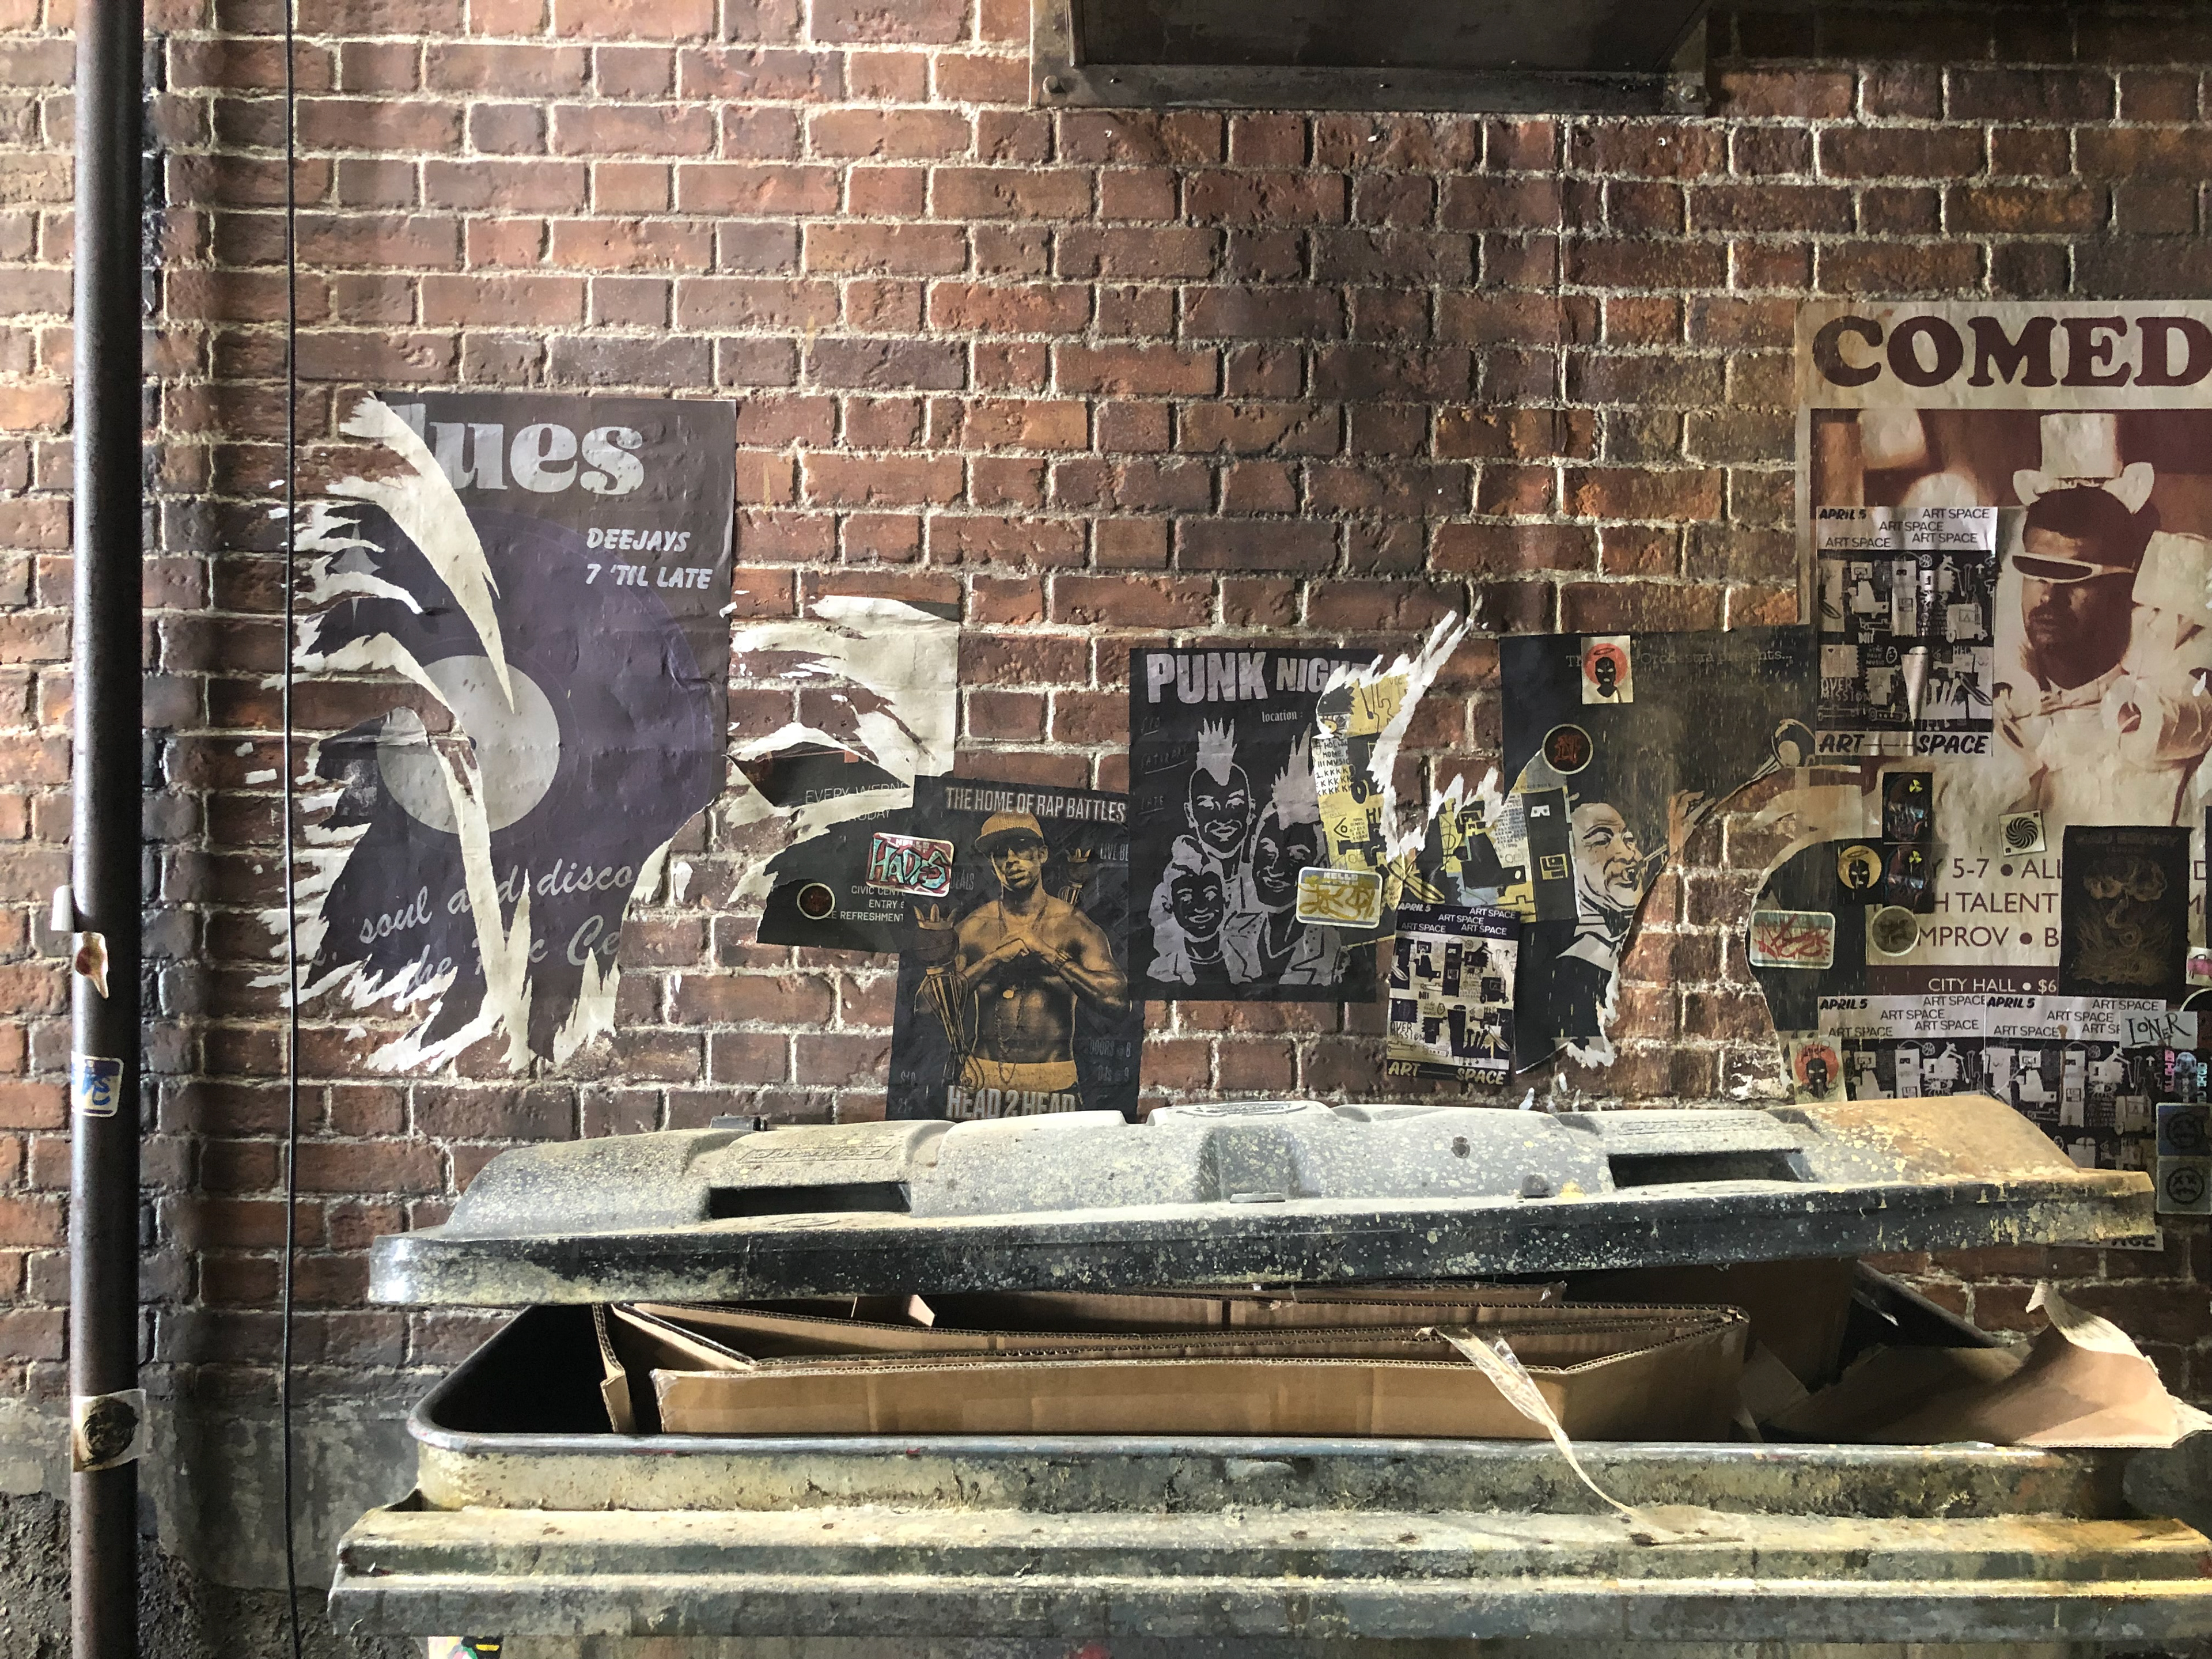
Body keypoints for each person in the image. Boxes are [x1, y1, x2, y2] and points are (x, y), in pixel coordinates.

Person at [1994, 418, 2212, 827]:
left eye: (2073, 575)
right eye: (2036, 572)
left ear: (2125, 585)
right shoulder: (2000, 713)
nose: (2048, 596)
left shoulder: (2167, 730)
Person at [915, 812, 1127, 1114]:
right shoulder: (975, 927)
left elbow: (1118, 1002)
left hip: (1054, 1082)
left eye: (1022, 849)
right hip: (982, 1079)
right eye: (1001, 853)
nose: (1012, 861)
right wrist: (992, 960)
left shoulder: (1074, 925)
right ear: (993, 863)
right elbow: (925, 1009)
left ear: (1042, 854)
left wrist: (1050, 955)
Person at [1223, 738, 1342, 988]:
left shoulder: (1337, 950)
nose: (1276, 870)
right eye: (1266, 853)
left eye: (1297, 856)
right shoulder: (1233, 934)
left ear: (1319, 863)